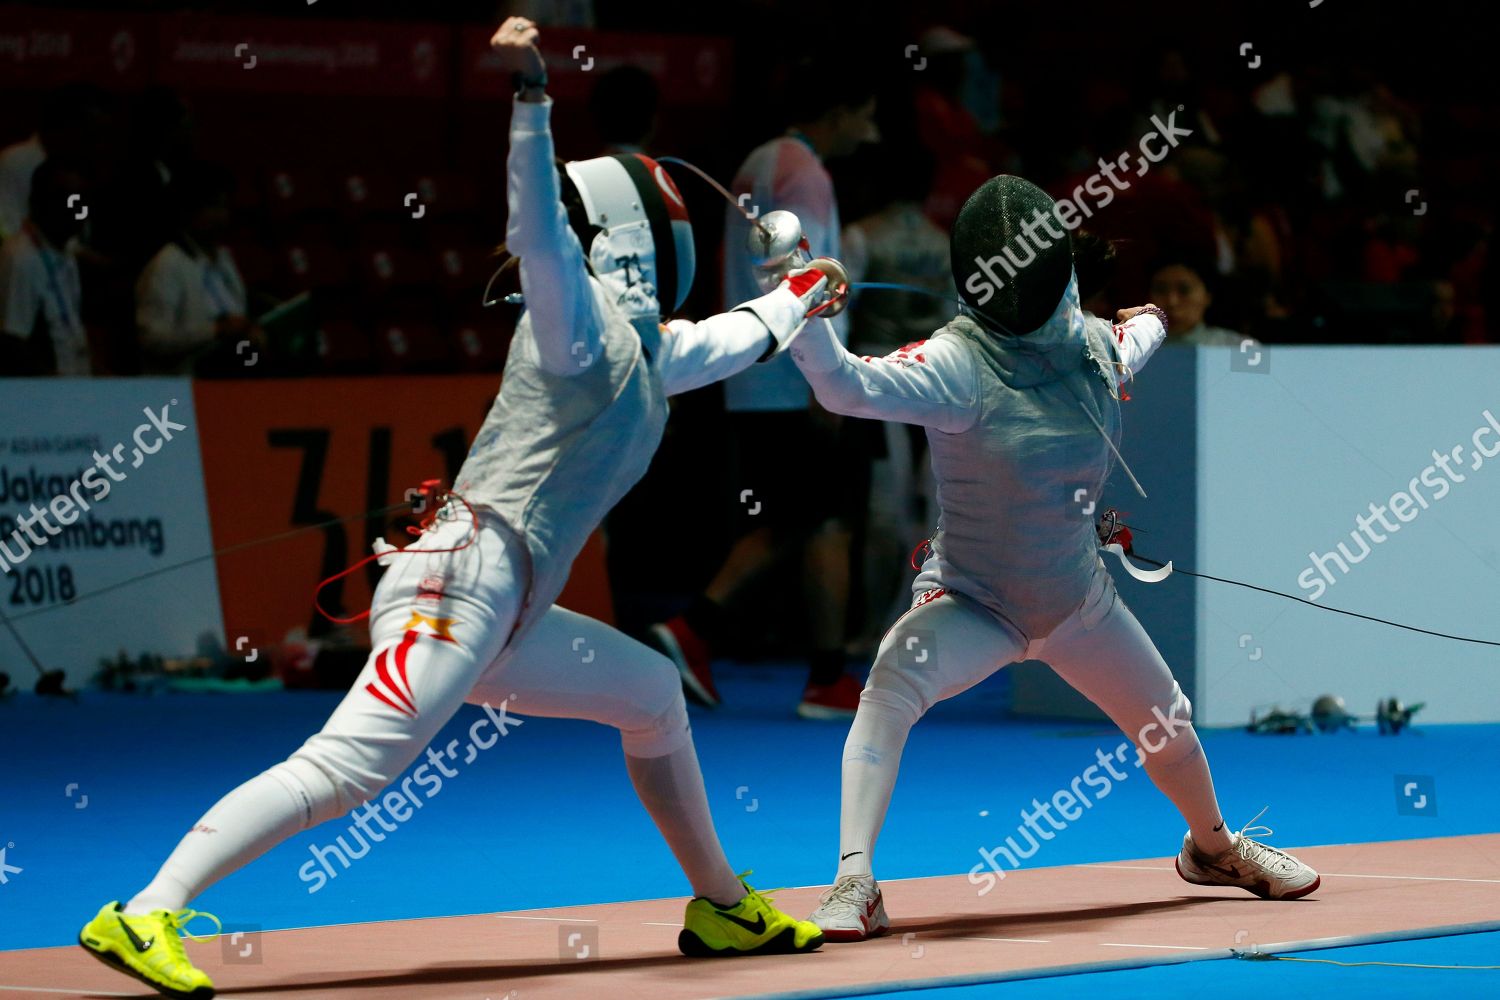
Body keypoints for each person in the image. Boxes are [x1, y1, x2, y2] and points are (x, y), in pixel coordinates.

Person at [78, 19, 831, 998]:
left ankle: (723, 906)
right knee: (350, 771)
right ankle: (142, 912)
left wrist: (805, 291)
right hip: (457, 587)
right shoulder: (573, 328)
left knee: (650, 697)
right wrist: (529, 102)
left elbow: (737, 335)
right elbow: (538, 236)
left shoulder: (648, 357)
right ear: (641, 234)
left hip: (504, 609)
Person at [784, 176, 1319, 941]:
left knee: (1168, 721)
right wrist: (805, 313)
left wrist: (1154, 318)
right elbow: (843, 385)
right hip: (972, 601)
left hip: (1078, 603)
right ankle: (854, 880)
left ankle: (1212, 850)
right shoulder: (955, 363)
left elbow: (1145, 332)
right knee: (889, 690)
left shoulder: (1096, 347)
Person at [646, 57, 878, 720]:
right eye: (864, 114)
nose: (870, 129)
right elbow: (795, 275)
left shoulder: (760, 159)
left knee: (792, 521)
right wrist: (825, 381)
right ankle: (820, 676)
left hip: (755, 375)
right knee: (823, 521)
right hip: (793, 375)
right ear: (837, 112)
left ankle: (698, 633)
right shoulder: (804, 171)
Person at [135, 163, 258, 375]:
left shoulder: (224, 262)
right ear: (188, 211)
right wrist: (215, 332)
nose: (221, 216)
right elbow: (151, 340)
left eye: (225, 207)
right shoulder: (167, 264)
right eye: (212, 206)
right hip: (186, 386)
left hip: (232, 374)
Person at [0, 158, 91, 376]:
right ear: (38, 202)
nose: (77, 209)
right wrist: (53, 386)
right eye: (66, 200)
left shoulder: (66, 254)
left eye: (81, 200)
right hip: (44, 398)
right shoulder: (21, 258)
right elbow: (12, 343)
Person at [0, 83, 106, 241]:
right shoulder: (16, 161)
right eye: (89, 134)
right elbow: (7, 227)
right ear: (65, 125)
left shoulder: (80, 167)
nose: (97, 145)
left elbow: (80, 221)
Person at [1148, 259, 1241, 346]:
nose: (1172, 302)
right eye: (1161, 290)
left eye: (1184, 290)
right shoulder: (1138, 348)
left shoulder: (1237, 348)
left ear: (1207, 296)